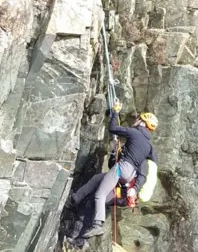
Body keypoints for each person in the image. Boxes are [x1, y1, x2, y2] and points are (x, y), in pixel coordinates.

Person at [65, 101, 158, 238]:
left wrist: (115, 112)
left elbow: (113, 128)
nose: (136, 120)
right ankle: (75, 199)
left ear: (142, 123)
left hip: (122, 170)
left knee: (99, 195)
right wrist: (117, 152)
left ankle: (97, 226)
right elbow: (149, 165)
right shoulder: (148, 148)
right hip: (127, 173)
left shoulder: (134, 133)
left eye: (139, 119)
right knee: (98, 179)